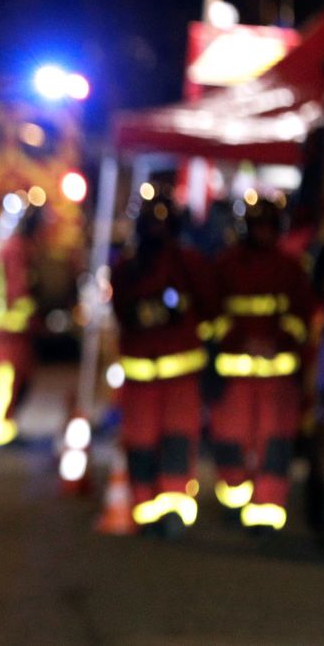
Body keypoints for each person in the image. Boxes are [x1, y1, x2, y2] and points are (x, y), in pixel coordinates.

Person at [111, 192, 216, 537]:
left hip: (180, 377)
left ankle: (172, 511)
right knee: (140, 443)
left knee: (177, 441)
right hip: (141, 377)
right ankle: (145, 508)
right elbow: (123, 314)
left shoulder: (188, 263)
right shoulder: (126, 269)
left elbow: (210, 309)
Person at [209, 196, 314, 534]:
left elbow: (301, 317)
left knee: (274, 446)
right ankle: (233, 501)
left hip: (277, 380)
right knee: (229, 441)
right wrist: (239, 341)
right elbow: (214, 314)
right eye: (259, 226)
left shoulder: (290, 269)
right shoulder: (225, 267)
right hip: (235, 378)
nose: (264, 233)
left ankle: (265, 512)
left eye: (270, 227)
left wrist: (278, 342)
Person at [0, 196, 37, 447]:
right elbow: (17, 285)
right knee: (7, 375)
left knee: (2, 374)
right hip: (9, 324)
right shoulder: (12, 246)